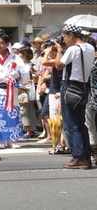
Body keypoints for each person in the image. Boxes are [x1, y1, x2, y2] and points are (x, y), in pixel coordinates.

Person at [54, 24, 95, 169]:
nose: (63, 40)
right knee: (80, 123)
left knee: (71, 124)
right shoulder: (90, 47)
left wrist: (59, 50)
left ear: (71, 34)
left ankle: (79, 157)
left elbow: (58, 65)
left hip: (70, 86)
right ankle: (86, 157)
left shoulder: (72, 49)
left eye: (64, 37)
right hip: (84, 86)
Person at [0, 34, 29, 149]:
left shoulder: (15, 57)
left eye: (2, 43)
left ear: (7, 44)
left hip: (11, 88)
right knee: (0, 114)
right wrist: (2, 75)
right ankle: (2, 140)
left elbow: (23, 72)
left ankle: (12, 139)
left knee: (13, 113)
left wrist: (16, 74)